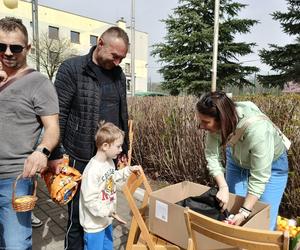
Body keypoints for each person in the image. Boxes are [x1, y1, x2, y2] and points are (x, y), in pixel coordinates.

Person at [49, 26, 130, 249]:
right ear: (100, 43)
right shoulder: (72, 69)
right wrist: (55, 153)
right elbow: (59, 113)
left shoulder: (119, 74)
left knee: (104, 209)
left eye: (122, 58)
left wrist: (124, 149)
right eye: (115, 56)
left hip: (108, 158)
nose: (117, 62)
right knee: (77, 217)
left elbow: (123, 113)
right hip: (79, 155)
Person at [0, 17, 59, 249]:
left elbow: (53, 128)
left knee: (14, 244)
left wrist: (42, 152)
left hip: (14, 179)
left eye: (15, 47)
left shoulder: (39, 83)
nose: (8, 52)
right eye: (1, 46)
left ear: (28, 48)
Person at [196, 91, 289, 230]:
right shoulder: (219, 121)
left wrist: (245, 211)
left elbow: (259, 177)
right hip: (237, 160)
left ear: (223, 119)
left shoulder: (259, 132)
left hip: (271, 166)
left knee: (263, 220)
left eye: (205, 122)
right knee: (231, 210)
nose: (201, 126)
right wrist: (223, 187)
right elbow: (212, 155)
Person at [79, 122, 141, 250]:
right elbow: (89, 201)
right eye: (118, 146)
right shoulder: (92, 171)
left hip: (107, 220)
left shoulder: (109, 162)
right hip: (94, 226)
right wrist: (108, 212)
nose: (121, 150)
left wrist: (129, 170)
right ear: (105, 146)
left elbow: (112, 177)